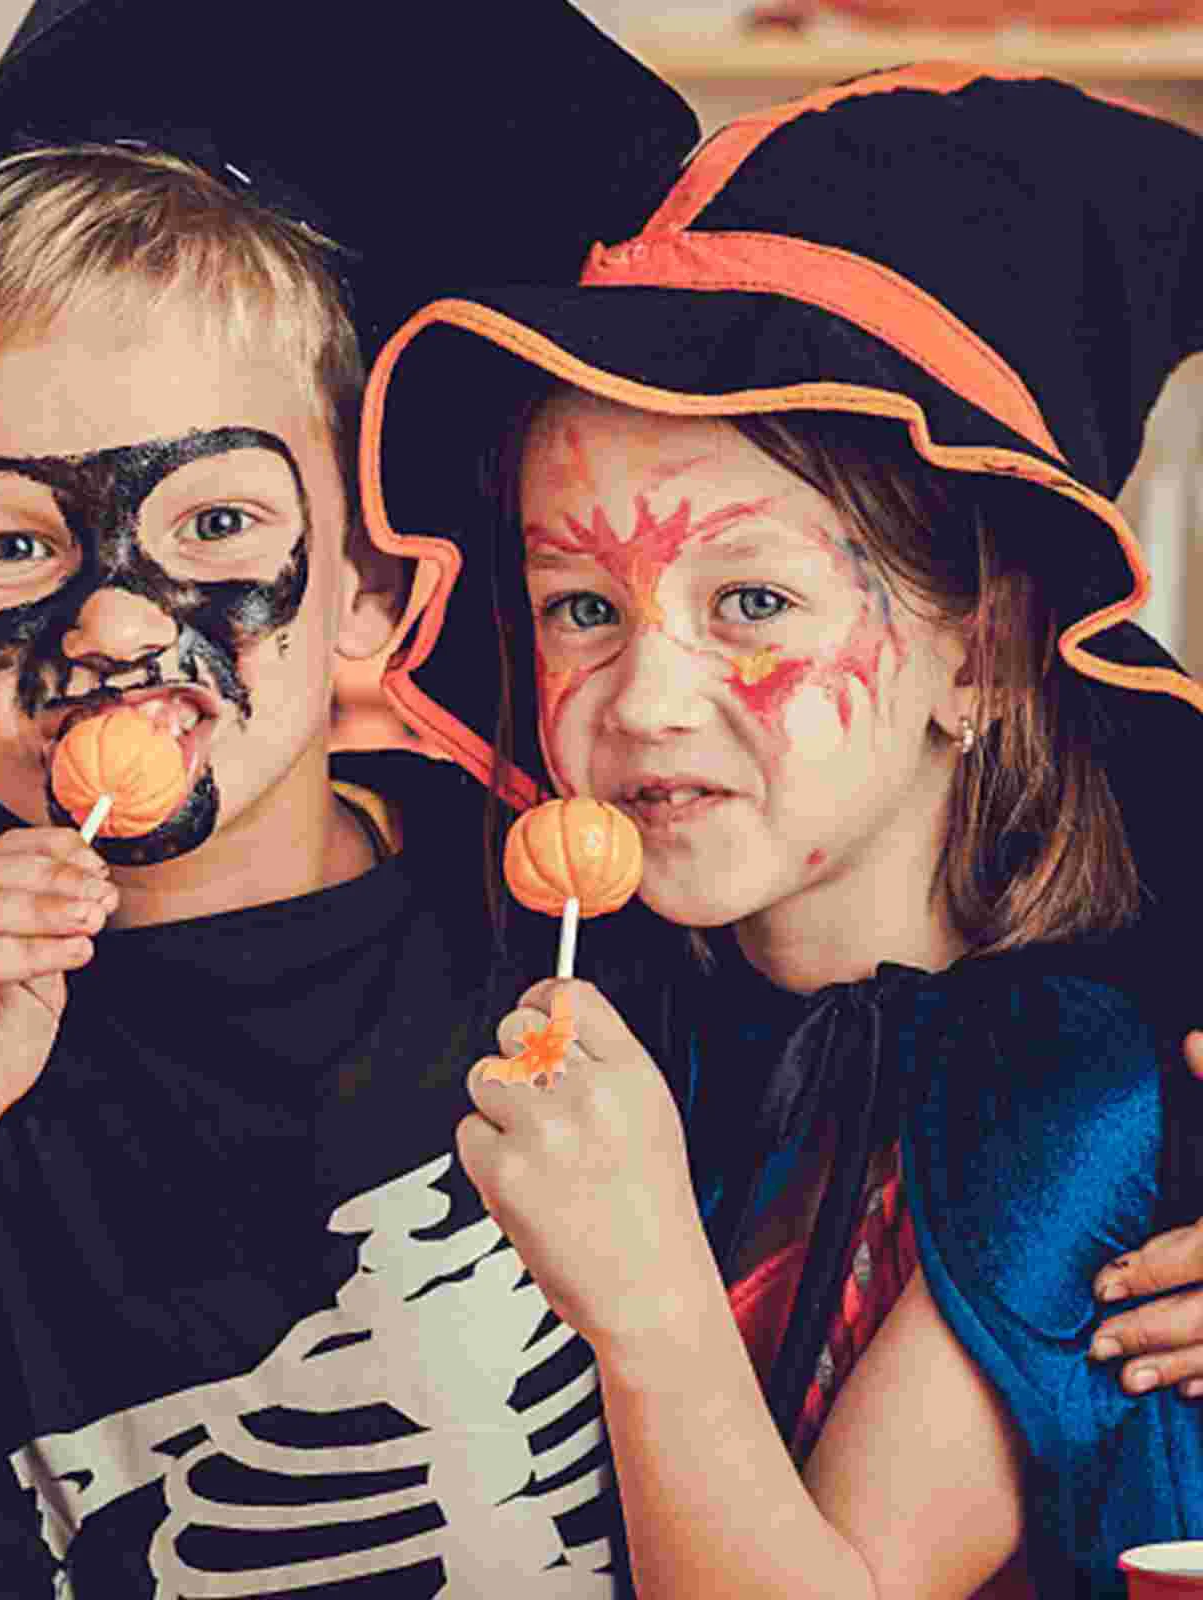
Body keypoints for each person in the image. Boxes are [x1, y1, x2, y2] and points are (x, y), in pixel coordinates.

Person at [0, 2, 707, 1594]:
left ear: (371, 588)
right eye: (11, 545)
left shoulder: (582, 932)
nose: (119, 623)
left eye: (216, 524)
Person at [354, 63, 1203, 1596]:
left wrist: (648, 1303)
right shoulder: (598, 1009)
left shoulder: (1074, 1085)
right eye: (581, 608)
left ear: (982, 660)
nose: (645, 700)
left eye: (752, 600)